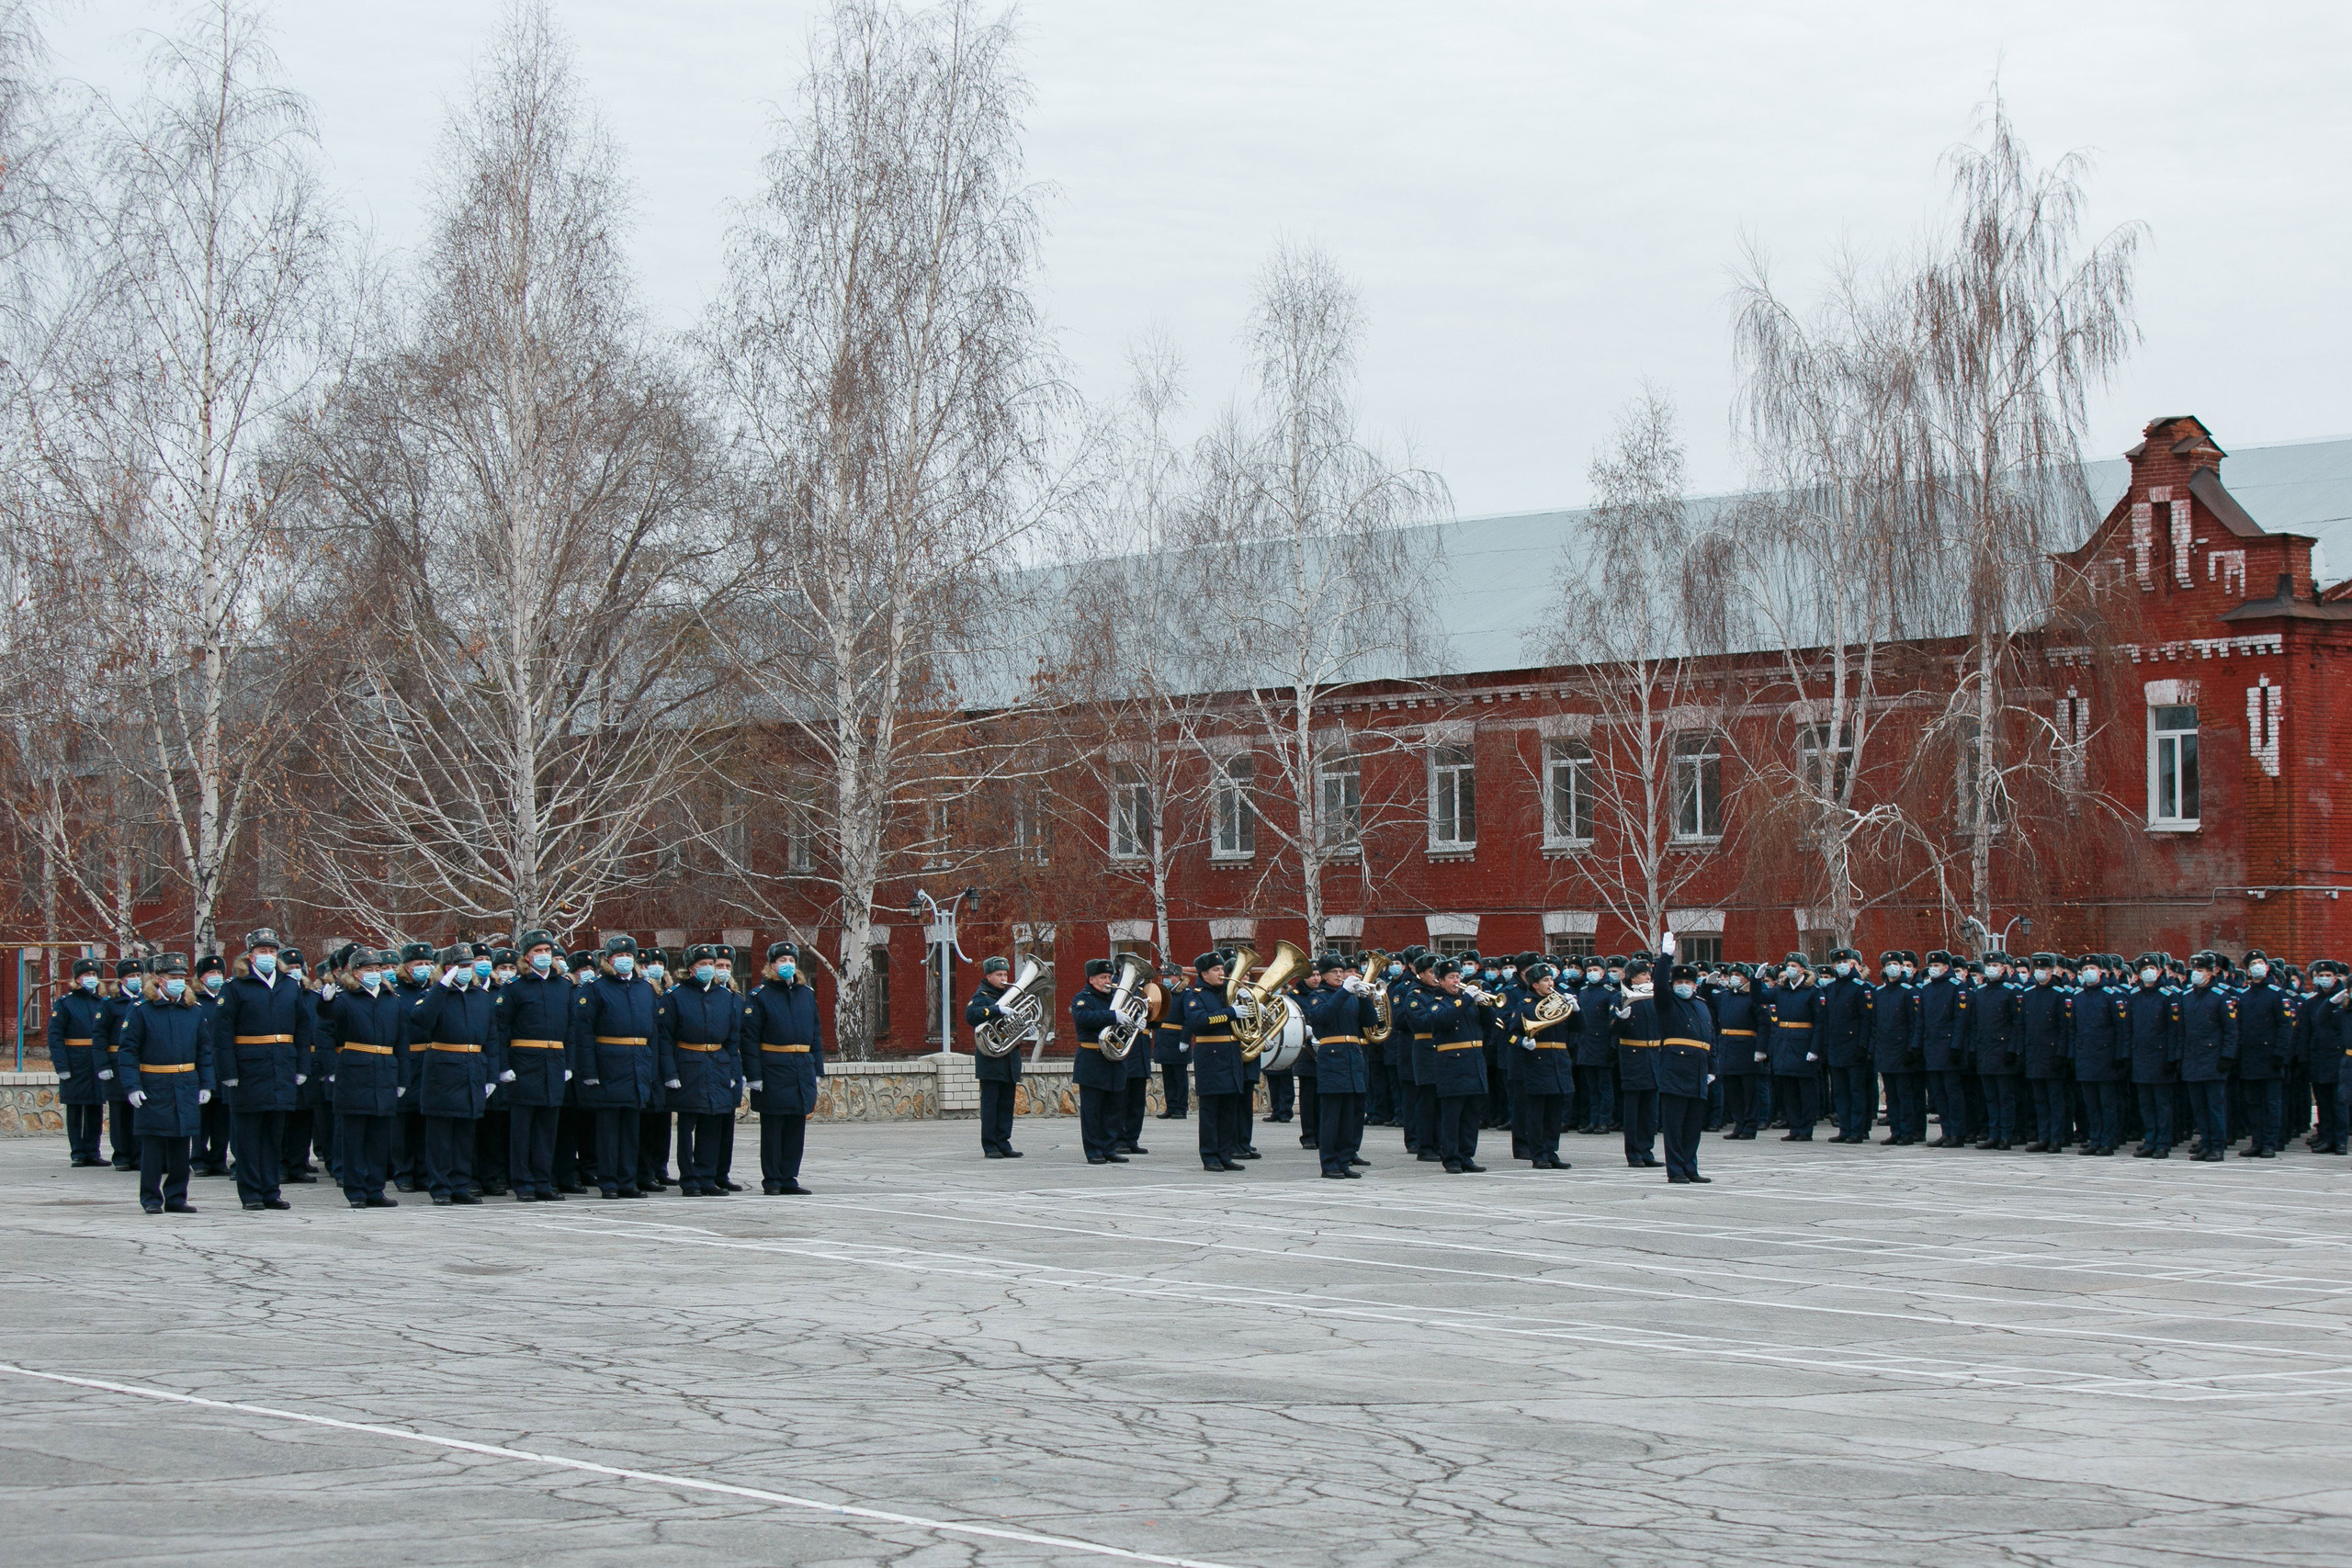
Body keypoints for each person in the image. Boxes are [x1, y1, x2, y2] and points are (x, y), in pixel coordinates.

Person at [213, 929, 315, 1212]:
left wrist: (301, 1066)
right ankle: (251, 1193)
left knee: (274, 1136)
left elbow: (303, 1028)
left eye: (272, 951)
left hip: (281, 1068)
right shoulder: (236, 988)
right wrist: (228, 1071)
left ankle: (271, 1190)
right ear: (251, 956)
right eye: (262, 952)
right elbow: (222, 1034)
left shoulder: (288, 986)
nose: (268, 956)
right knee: (248, 1138)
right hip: (248, 1071)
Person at [573, 934, 673, 1200]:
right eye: (619, 956)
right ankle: (608, 1182)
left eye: (629, 956)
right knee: (608, 1130)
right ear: (607, 960)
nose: (626, 960)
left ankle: (628, 1181)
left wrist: (652, 1071)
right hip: (608, 1064)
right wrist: (590, 1072)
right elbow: (584, 1034)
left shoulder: (644, 988)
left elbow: (653, 1032)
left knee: (631, 1129)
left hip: (637, 1064)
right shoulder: (596, 989)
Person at [406, 942, 504, 1204]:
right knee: (440, 1134)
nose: (465, 970)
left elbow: (492, 1039)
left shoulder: (480, 996)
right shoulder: (433, 995)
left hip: (473, 1067)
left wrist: (491, 1075)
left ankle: (461, 1185)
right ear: (447, 968)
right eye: (459, 966)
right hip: (443, 1068)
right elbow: (422, 1019)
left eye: (467, 965)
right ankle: (440, 1187)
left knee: (465, 1133)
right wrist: (441, 987)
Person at [116, 953, 212, 1214]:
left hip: (185, 1083)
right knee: (154, 1146)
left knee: (182, 1145)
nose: (179, 982)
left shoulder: (193, 1011)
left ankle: (177, 1196)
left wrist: (206, 1084)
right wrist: (132, 1086)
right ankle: (151, 1197)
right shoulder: (141, 1010)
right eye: (173, 978)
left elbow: (204, 1049)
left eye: (182, 978)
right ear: (159, 980)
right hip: (154, 1084)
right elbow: (128, 1052)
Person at [493, 929, 577, 1201]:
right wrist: (503, 1066)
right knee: (522, 1130)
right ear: (527, 957)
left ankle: (543, 1181)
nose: (544, 955)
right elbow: (500, 1030)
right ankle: (523, 1183)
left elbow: (572, 1028)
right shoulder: (515, 988)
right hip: (524, 1064)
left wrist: (568, 1064)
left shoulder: (563, 986)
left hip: (553, 1063)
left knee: (547, 1128)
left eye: (547, 951)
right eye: (538, 951)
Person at [327, 948, 408, 1208]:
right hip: (355, 1071)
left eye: (377, 969)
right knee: (354, 1136)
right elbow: (329, 1017)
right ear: (356, 972)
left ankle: (375, 1188)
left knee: (379, 1137)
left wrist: (402, 1079)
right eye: (368, 969)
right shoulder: (346, 999)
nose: (374, 973)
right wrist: (326, 1001)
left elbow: (402, 1042)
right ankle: (356, 1191)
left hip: (385, 1070)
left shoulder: (391, 1000)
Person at [667, 943, 747, 1196]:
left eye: (711, 964)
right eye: (703, 964)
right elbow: (665, 1038)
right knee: (687, 1125)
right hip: (688, 1064)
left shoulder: (726, 997)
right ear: (691, 968)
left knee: (712, 1124)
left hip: (717, 1064)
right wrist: (670, 1073)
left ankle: (707, 1176)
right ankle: (688, 1178)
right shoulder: (675, 996)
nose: (709, 969)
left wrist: (734, 1072)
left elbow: (733, 1040)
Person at [746, 942, 823, 1194]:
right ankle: (772, 1179)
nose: (787, 964)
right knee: (773, 1127)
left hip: (801, 1067)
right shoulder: (760, 995)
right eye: (782, 960)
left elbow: (815, 1034)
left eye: (791, 959)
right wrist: (754, 1075)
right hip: (773, 1068)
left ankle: (789, 1177)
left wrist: (817, 1068)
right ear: (771, 965)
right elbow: (748, 1038)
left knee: (795, 1126)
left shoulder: (806, 993)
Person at [1643, 962, 1718, 1183]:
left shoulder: (1702, 1005)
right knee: (1675, 1126)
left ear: (1695, 985)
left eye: (1688, 982)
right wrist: (1666, 957)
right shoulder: (1668, 1003)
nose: (1683, 986)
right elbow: (1660, 987)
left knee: (1693, 1126)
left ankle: (1690, 1168)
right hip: (1675, 1070)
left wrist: (1713, 1068)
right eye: (1679, 982)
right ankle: (1675, 1169)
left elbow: (1710, 1038)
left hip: (1698, 1070)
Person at [1303, 953, 1374, 1177]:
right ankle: (1329, 1163)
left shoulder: (1350, 997)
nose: (1339, 975)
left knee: (1350, 1115)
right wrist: (1344, 992)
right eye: (1334, 972)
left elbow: (1370, 1022)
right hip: (1332, 1057)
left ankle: (1344, 1160)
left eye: (1342, 972)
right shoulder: (1318, 996)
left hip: (1353, 1056)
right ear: (1323, 975)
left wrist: (1364, 998)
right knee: (1332, 1115)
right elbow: (1323, 1015)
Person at [1182, 952, 1245, 1171]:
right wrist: (1231, 1013)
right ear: (1204, 974)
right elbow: (1198, 1020)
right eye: (1217, 970)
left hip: (1230, 1055)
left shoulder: (1228, 993)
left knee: (1229, 1110)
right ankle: (1209, 1156)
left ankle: (1224, 1154)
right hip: (1210, 1056)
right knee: (1211, 1111)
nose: (1222, 973)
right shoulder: (1195, 995)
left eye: (1221, 970)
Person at [1510, 962, 1576, 1168]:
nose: (1550, 983)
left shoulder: (1560, 1002)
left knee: (1555, 1113)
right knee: (1537, 1112)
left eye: (1551, 979)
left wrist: (1577, 1010)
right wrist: (1523, 1043)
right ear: (1535, 984)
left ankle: (1551, 1152)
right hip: (1537, 1061)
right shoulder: (1526, 1005)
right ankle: (1538, 1154)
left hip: (1559, 1060)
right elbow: (1511, 1035)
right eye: (1545, 980)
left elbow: (1578, 1028)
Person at [2175, 951, 2239, 1162]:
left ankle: (2217, 1146)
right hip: (2192, 1060)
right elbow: (2181, 1032)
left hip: (2213, 1060)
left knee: (2215, 1107)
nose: (2197, 974)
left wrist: (2227, 1056)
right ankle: (2206, 1143)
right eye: (2195, 970)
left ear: (2211, 973)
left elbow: (2231, 1030)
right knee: (2199, 1108)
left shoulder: (2221, 997)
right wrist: (2179, 1058)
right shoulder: (2186, 997)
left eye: (2201, 970)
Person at [49, 957, 110, 1168]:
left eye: (94, 975)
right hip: (75, 1060)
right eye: (86, 975)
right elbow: (55, 1036)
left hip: (97, 1059)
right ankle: (78, 1152)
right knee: (76, 1107)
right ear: (77, 979)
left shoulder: (102, 1002)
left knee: (95, 1106)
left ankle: (93, 1151)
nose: (91, 979)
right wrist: (62, 1066)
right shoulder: (66, 1003)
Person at [2234, 949, 2295, 1157]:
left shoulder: (2277, 994)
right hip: (2250, 1058)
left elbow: (2285, 1026)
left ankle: (2270, 1142)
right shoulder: (2244, 995)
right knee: (2253, 1103)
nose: (2257, 966)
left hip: (2271, 1058)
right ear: (2248, 971)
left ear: (2267, 967)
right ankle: (2257, 1141)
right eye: (2252, 964)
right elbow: (2239, 1027)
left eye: (2260, 962)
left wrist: (2280, 1054)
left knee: (2271, 1103)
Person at [963, 956, 1026, 1158]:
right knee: (991, 1105)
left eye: (1005, 974)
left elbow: (1016, 1024)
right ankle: (990, 1144)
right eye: (999, 975)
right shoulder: (982, 995)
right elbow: (971, 1015)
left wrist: (1026, 1027)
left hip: (1009, 1059)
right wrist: (996, 1010)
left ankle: (1003, 1142)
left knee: (1006, 1104)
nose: (1003, 978)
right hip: (991, 1060)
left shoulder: (1010, 995)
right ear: (988, 975)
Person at [390, 941, 438, 1190]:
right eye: (419, 964)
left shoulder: (435, 990)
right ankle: (404, 1172)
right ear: (406, 967)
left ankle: (423, 1170)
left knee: (425, 1119)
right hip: (407, 1059)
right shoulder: (396, 992)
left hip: (430, 1059)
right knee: (403, 1120)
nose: (425, 968)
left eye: (429, 963)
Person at [2122, 952, 2181, 1157]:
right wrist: (2127, 1055)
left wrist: (2172, 1057)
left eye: (2152, 969)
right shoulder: (2134, 996)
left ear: (2159, 971)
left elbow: (2175, 1030)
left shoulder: (2168, 996)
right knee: (2146, 1103)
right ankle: (2150, 1140)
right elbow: (2128, 1028)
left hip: (2161, 1057)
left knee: (2162, 1104)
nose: (2148, 973)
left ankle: (2163, 1142)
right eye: (2144, 970)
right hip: (2141, 1057)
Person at [1071, 958, 1126, 1165]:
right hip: (1092, 1060)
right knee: (1092, 1111)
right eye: (1103, 977)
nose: (1108, 981)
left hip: (1114, 1059)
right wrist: (1113, 1016)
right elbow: (1084, 1019)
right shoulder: (1083, 998)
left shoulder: (1117, 998)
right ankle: (1094, 1150)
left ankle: (1109, 1148)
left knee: (1113, 1109)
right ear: (1091, 979)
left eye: (1109, 976)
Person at [1865, 951, 1924, 1146]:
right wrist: (1872, 1048)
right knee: (1891, 1095)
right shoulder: (1879, 993)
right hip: (1885, 1050)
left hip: (1902, 1051)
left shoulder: (1910, 991)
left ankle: (1907, 1131)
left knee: (1904, 1094)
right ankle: (1896, 1130)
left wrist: (1912, 1048)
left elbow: (1915, 1024)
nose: (1893, 967)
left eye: (1896, 964)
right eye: (1888, 964)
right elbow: (1875, 1024)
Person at [2018, 954, 2075, 1153]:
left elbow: (2065, 1028)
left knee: (2055, 1099)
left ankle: (2056, 1138)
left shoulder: (2060, 994)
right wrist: (2021, 1051)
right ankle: (2043, 1137)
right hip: (2034, 1054)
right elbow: (2022, 1026)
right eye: (2038, 968)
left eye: (2045, 968)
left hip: (2052, 1056)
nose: (2041, 972)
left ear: (2052, 971)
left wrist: (2061, 1054)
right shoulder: (2029, 994)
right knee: (2039, 1100)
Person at [1765, 953, 1824, 1140]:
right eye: (1787, 965)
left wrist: (1815, 1049)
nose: (1789, 968)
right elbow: (1759, 997)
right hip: (1784, 1043)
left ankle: (1806, 1129)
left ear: (1803, 970)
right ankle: (1795, 1126)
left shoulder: (1813, 991)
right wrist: (1755, 978)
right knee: (1789, 1090)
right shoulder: (1782, 990)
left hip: (1803, 1044)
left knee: (1805, 1091)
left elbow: (1820, 1023)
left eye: (1793, 965)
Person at [97, 957, 147, 1169]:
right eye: (131, 977)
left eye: (138, 976)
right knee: (119, 1112)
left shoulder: (145, 1000)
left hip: (140, 1063)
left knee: (139, 1110)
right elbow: (99, 1036)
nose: (135, 980)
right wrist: (103, 1065)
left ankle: (138, 1155)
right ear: (121, 980)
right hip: (116, 1062)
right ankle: (122, 1155)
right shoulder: (111, 1003)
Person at [1712, 964, 1768, 1140]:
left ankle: (1750, 1126)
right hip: (1727, 1047)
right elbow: (1709, 1003)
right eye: (1732, 974)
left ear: (1746, 978)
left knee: (1749, 1091)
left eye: (1738, 975)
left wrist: (1761, 1049)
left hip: (1746, 1047)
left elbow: (1764, 1025)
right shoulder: (1725, 996)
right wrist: (1708, 985)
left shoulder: (1751, 997)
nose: (1734, 977)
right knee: (1733, 1090)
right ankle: (1739, 1124)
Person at [190, 954, 232, 1176]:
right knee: (201, 1118)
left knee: (222, 1118)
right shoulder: (196, 1003)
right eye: (211, 974)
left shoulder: (226, 998)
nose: (216, 977)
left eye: (219, 973)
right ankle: (198, 1159)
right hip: (203, 1067)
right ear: (201, 978)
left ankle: (218, 1158)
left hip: (223, 1066)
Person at [1151, 964, 1190, 1120]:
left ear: (1177, 977)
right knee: (1167, 1075)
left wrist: (1185, 1040)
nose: (1165, 980)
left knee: (1179, 1076)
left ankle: (1181, 1108)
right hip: (1164, 1037)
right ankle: (1171, 1106)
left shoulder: (1185, 994)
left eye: (1168, 977)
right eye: (1163, 977)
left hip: (1178, 1037)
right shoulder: (1163, 993)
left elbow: (1189, 1018)